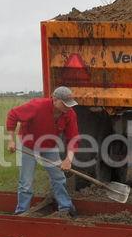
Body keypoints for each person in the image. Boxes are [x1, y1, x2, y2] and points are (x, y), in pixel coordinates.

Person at [6, 86, 80, 217]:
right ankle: (21, 212)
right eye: (65, 104)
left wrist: (68, 160)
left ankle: (66, 207)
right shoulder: (37, 106)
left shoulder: (69, 114)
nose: (68, 107)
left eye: (70, 104)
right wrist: (11, 140)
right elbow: (13, 114)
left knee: (58, 177)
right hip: (28, 144)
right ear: (55, 99)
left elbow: (73, 138)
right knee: (26, 182)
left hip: (49, 145)